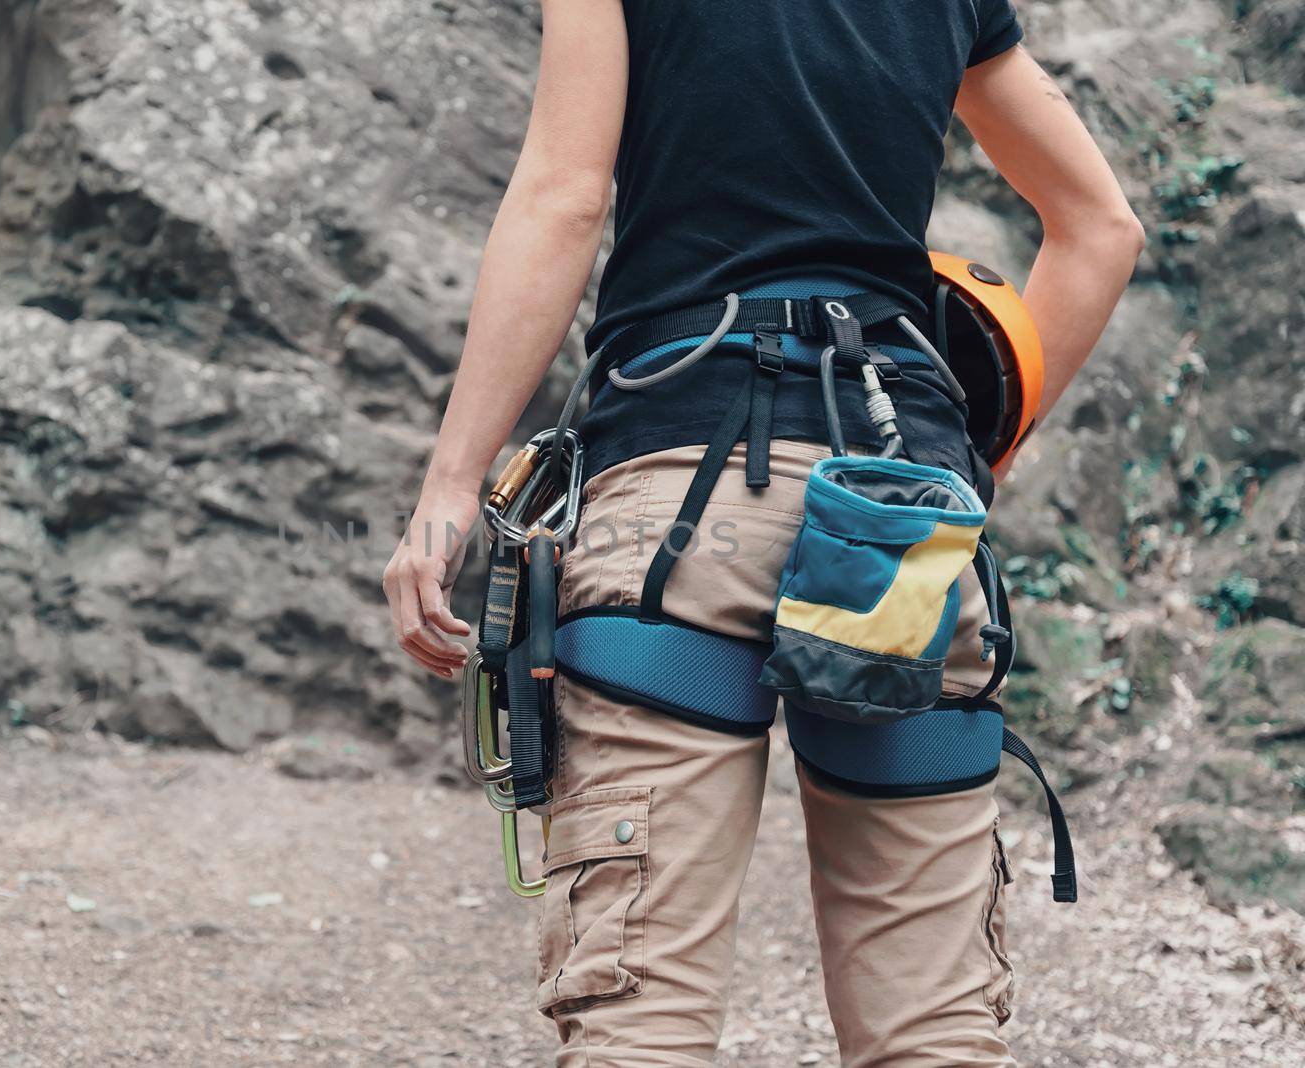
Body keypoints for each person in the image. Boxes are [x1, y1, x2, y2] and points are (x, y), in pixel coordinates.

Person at [383, 1, 1142, 1064]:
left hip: (681, 502)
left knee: (641, 1018)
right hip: (901, 516)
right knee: (934, 1032)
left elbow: (564, 195)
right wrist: (963, 465)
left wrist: (452, 486)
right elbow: (1101, 226)